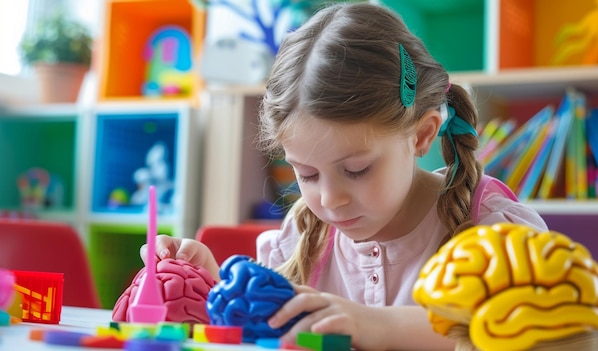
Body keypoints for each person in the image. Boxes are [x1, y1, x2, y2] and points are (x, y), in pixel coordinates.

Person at [143, 2, 548, 350]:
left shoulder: (491, 229)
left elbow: (533, 328)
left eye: (356, 170)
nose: (329, 199)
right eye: (306, 174)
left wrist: (375, 324)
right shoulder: (304, 234)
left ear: (422, 134)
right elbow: (271, 331)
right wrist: (209, 289)